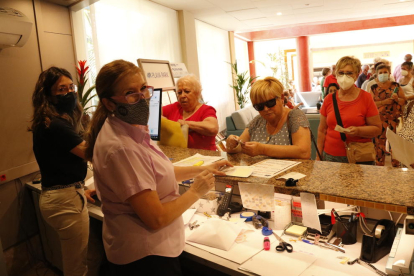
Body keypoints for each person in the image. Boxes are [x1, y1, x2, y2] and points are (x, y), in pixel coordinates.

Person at [84, 60, 232, 275]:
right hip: (145, 257)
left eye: (144, 88)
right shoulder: (122, 148)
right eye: (131, 93)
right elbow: (156, 218)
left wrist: (204, 168)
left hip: (153, 250)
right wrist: (195, 192)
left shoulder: (131, 130)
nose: (143, 98)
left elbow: (156, 172)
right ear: (109, 104)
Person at [29, 67, 96, 276]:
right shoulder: (57, 125)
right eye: (61, 89)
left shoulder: (46, 122)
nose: (69, 93)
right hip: (65, 201)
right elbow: (90, 154)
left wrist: (78, 189)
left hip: (60, 195)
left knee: (80, 258)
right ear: (48, 94)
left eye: (70, 87)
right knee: (77, 267)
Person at [226, 77, 311, 159]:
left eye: (270, 102)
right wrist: (232, 144)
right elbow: (239, 147)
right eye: (259, 106)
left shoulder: (295, 116)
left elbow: (304, 152)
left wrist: (262, 149)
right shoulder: (257, 121)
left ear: (281, 98)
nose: (266, 109)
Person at [317, 56, 382, 164]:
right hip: (331, 157)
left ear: (356, 75)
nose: (344, 77)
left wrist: (358, 131)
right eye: (341, 73)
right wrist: (318, 156)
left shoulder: (365, 97)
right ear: (336, 74)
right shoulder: (329, 99)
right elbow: (322, 130)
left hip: (359, 156)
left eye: (349, 73)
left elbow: (377, 129)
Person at [163, 74, 218, 151]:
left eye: (187, 91)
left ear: (197, 93)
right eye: (179, 92)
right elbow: (153, 113)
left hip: (204, 157)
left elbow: (213, 128)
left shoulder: (206, 110)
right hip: (179, 155)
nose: (182, 95)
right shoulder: (175, 107)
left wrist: (186, 124)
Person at [370, 64, 406, 166]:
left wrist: (397, 99)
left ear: (389, 73)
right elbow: (370, 105)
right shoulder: (374, 88)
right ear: (376, 75)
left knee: (395, 144)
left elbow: (404, 101)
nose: (383, 74)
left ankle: (395, 167)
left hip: (394, 119)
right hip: (379, 120)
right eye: (380, 73)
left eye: (385, 72)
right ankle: (379, 167)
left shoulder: (396, 86)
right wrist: (384, 102)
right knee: (379, 145)